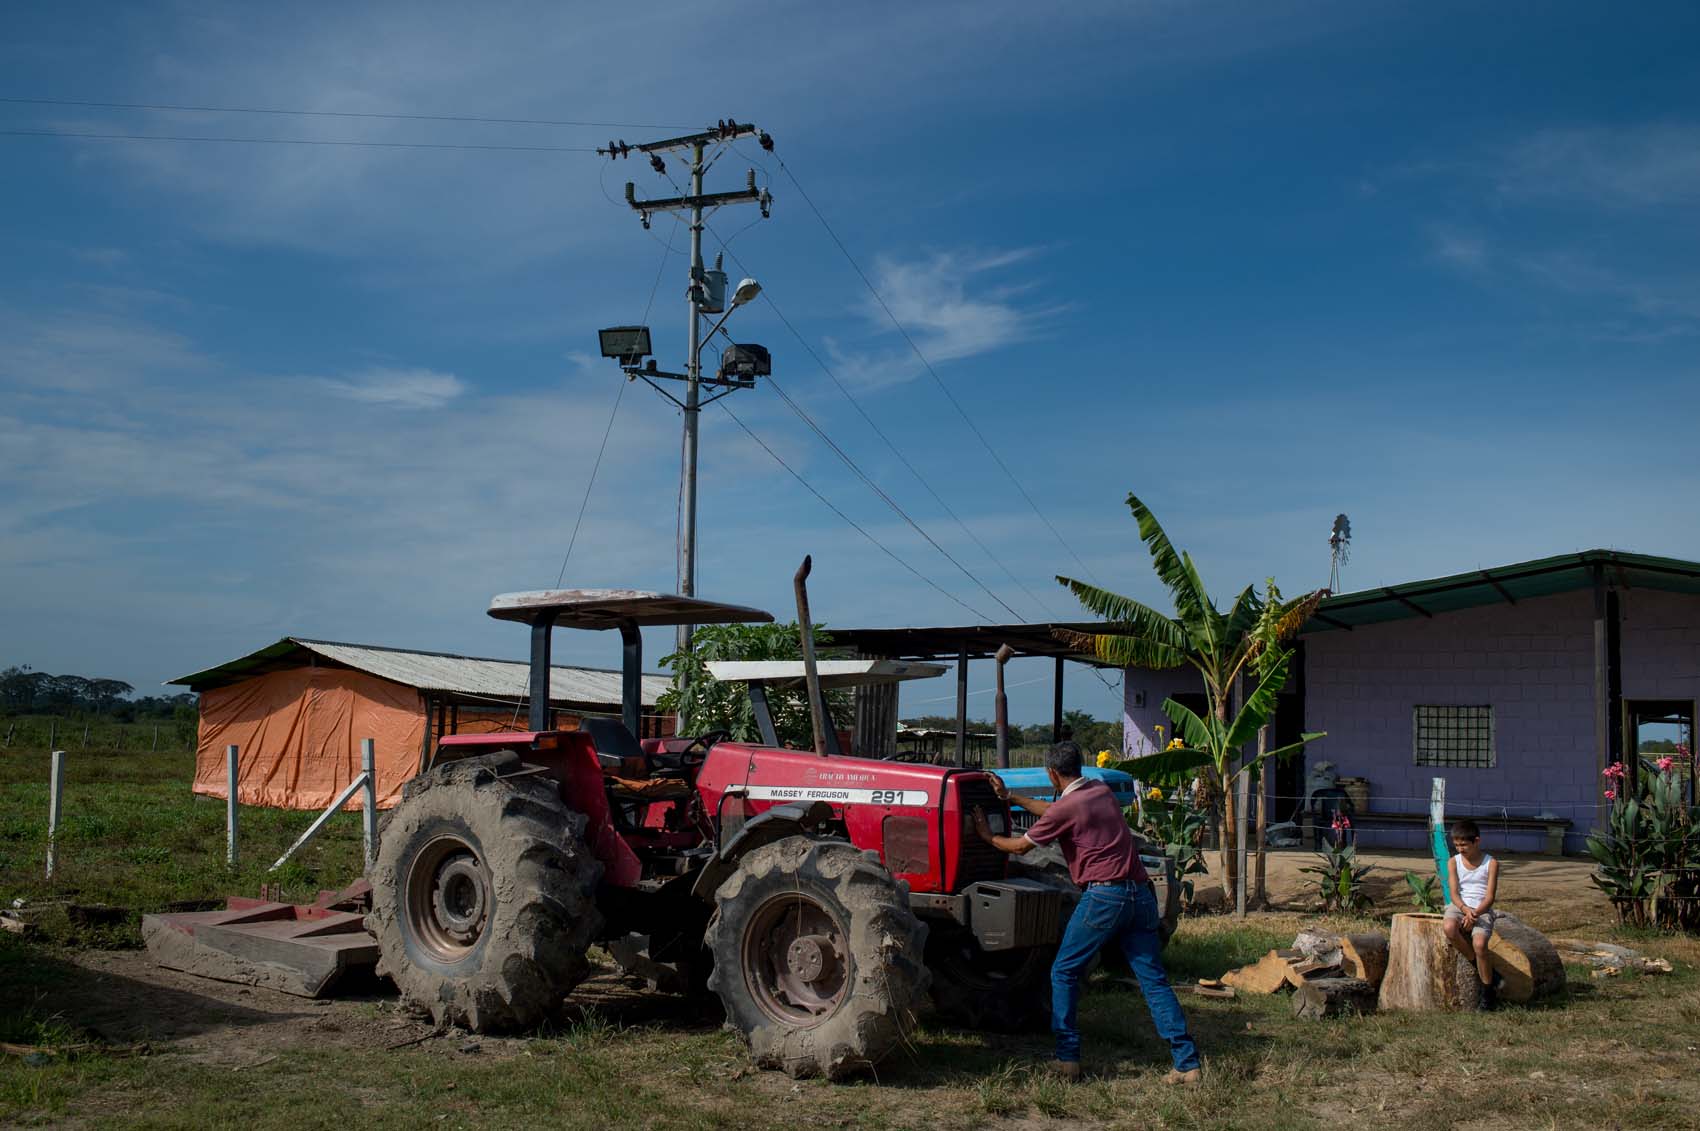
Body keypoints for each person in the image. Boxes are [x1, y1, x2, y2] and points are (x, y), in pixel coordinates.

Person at [971, 741, 1201, 1083]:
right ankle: (1187, 1063)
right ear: (1080, 766)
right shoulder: (1099, 790)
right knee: (1153, 981)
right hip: (1140, 896)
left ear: (1052, 773)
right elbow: (1053, 810)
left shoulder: (1067, 808)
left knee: (1063, 971)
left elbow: (1020, 845)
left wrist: (987, 837)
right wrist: (1012, 798)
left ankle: (1067, 1058)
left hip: (1104, 897)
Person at [1441, 818, 1503, 1010]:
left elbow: (1490, 897)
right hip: (1460, 906)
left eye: (1464, 845)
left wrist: (1474, 913)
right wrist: (1465, 910)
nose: (1460, 849)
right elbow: (1453, 893)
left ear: (1477, 841)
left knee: (1480, 943)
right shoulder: (1453, 862)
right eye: (1457, 845)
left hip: (1481, 908)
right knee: (1449, 928)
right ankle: (1480, 967)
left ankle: (1487, 994)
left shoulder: (1491, 863)